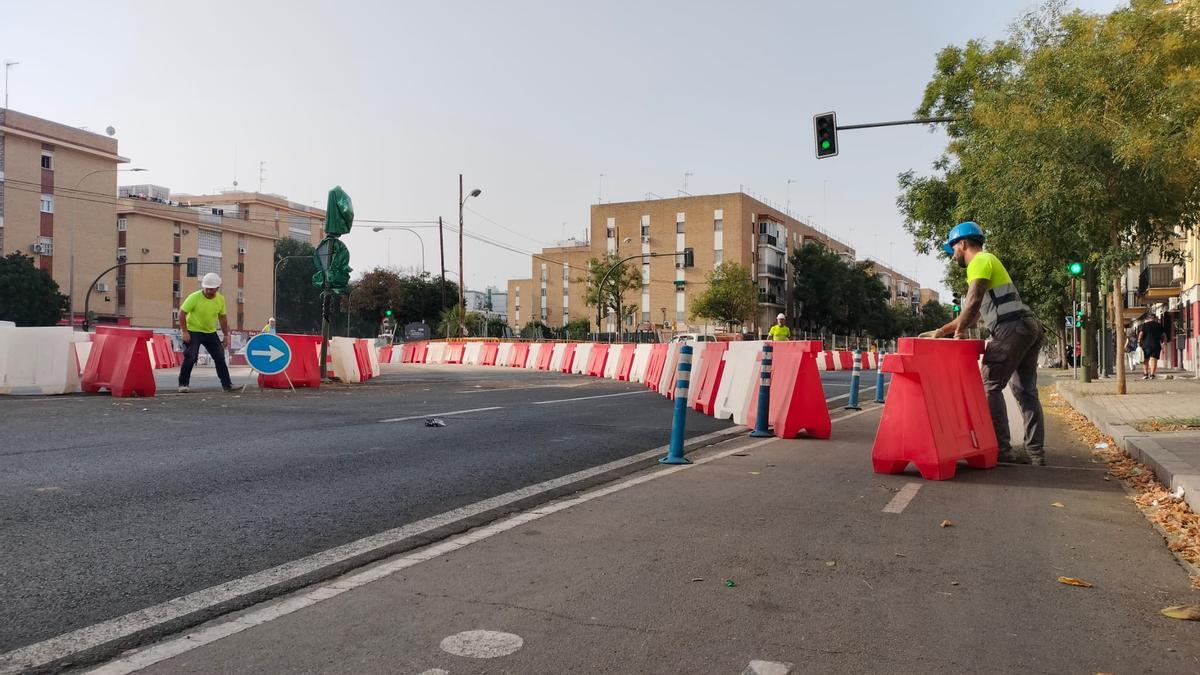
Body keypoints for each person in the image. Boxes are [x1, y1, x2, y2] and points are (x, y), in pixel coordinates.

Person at [918, 222, 1045, 466]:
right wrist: (943, 330)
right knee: (1026, 391)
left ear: (963, 244)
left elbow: (973, 301)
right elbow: (974, 312)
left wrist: (960, 332)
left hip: (1011, 328)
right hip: (1026, 326)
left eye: (953, 248)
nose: (952, 254)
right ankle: (1035, 453)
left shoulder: (978, 261)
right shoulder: (988, 262)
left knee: (990, 386)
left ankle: (1002, 450)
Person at [178, 273, 234, 393]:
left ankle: (227, 385)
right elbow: (182, 314)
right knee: (191, 356)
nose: (209, 290)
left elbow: (223, 318)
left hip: (210, 332)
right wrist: (185, 332)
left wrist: (226, 335)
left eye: (212, 289)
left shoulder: (220, 299)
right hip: (193, 331)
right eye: (206, 288)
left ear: (217, 288)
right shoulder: (194, 297)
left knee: (219, 356)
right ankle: (183, 384)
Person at [1137, 313, 1165, 379]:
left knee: (1145, 360)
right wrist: (1164, 342)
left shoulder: (1144, 325)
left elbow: (1141, 334)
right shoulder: (1159, 325)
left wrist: (1138, 342)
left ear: (1148, 319)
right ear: (1155, 318)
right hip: (1156, 345)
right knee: (1154, 359)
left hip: (1146, 345)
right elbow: (1163, 335)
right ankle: (1152, 374)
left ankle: (1145, 374)